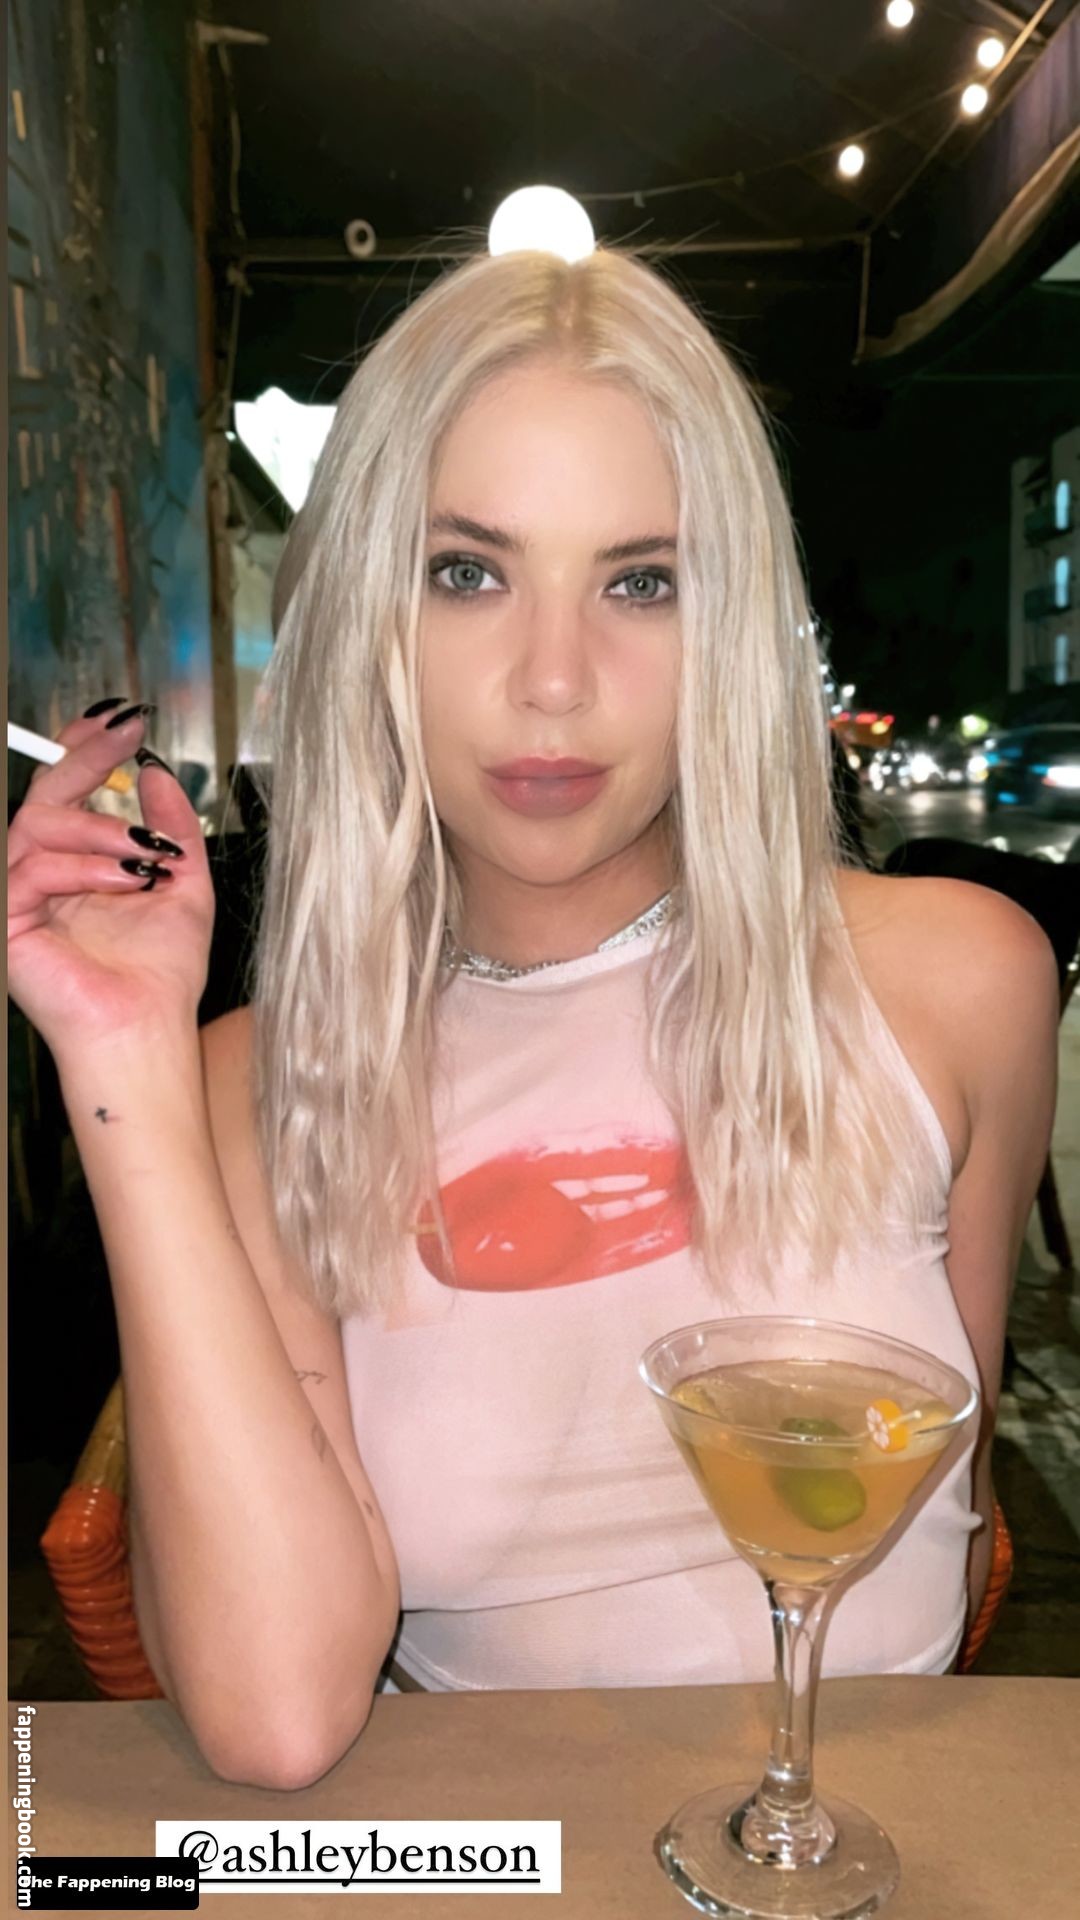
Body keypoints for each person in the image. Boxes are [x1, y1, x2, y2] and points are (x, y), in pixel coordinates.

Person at [7, 244, 1058, 1790]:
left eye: (642, 581)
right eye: (467, 572)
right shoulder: (259, 1086)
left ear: (729, 622)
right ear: (367, 610)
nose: (554, 680)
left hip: (875, 1849)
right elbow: (275, 1723)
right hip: (505, 1871)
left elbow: (948, 1540)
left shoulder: (963, 982)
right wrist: (122, 1061)